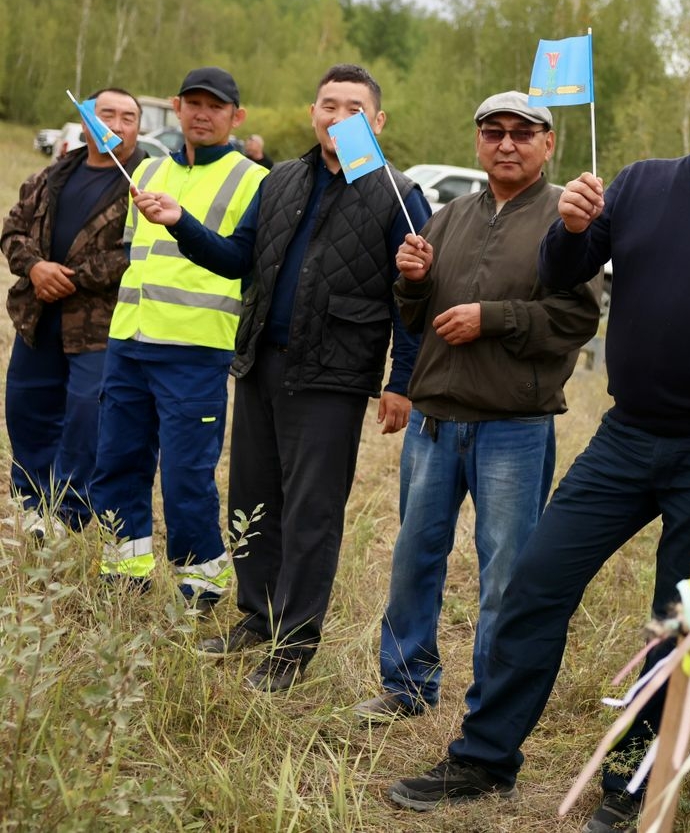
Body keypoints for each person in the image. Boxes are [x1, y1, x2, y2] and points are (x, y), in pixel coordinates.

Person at [387, 38, 690, 819]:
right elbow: (563, 274)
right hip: (625, 438)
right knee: (534, 584)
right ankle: (485, 757)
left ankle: (630, 791)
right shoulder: (639, 184)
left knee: (679, 627)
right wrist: (567, 225)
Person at [130, 63, 430, 692]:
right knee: (253, 500)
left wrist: (402, 378)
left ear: (377, 122)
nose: (338, 116)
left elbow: (413, 294)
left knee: (312, 513)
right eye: (328, 104)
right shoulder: (283, 180)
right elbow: (239, 258)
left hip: (333, 374)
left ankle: (294, 645)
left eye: (354, 107)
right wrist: (179, 222)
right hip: (263, 363)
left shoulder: (397, 193)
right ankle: (257, 617)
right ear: (311, 113)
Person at [352, 92, 601, 722]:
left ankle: (492, 707)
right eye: (494, 132)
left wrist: (493, 319)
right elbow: (414, 316)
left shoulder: (567, 224)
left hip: (513, 428)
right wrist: (410, 279)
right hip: (435, 423)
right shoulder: (447, 216)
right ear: (478, 142)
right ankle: (406, 685)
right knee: (414, 559)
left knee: (505, 576)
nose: (507, 144)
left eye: (523, 133)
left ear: (550, 145)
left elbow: (577, 318)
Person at [86, 68, 268, 602]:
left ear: (237, 116)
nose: (202, 114)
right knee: (117, 460)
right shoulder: (148, 167)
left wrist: (183, 220)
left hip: (195, 349)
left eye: (215, 106)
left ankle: (203, 580)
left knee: (187, 475)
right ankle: (125, 572)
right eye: (193, 103)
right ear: (176, 107)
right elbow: (131, 252)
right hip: (129, 343)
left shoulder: (254, 179)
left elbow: (242, 261)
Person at [4, 88, 147, 537]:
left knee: (86, 417)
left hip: (98, 326)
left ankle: (68, 513)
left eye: (129, 118)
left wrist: (71, 277)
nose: (118, 125)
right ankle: (30, 503)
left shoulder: (143, 183)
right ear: (86, 120)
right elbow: (12, 230)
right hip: (38, 317)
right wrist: (36, 267)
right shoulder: (51, 176)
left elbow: (137, 252)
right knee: (27, 408)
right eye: (108, 114)